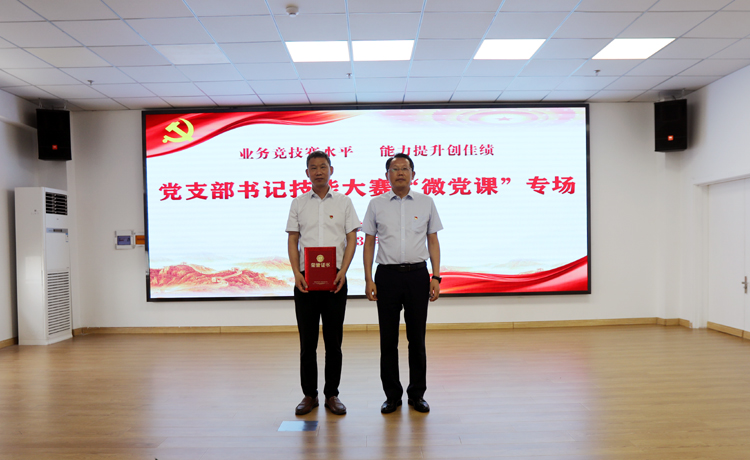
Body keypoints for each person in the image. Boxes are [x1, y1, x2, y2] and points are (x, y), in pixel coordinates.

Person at [362, 153, 443, 414]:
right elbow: (369, 243)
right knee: (388, 340)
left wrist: (436, 276)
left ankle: (417, 394)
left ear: (413, 174)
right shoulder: (376, 204)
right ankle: (392, 396)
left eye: (404, 168)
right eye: (394, 169)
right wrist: (368, 278)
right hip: (387, 276)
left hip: (418, 276)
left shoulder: (426, 202)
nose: (400, 172)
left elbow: (433, 240)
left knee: (416, 339)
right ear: (387, 175)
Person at [286, 150, 360, 416]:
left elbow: (351, 238)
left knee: (333, 342)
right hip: (305, 281)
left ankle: (332, 394)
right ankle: (309, 395)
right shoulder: (298, 203)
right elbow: (293, 239)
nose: (318, 171)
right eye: (313, 167)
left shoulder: (344, 202)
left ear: (331, 170)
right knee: (307, 342)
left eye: (323, 166)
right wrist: (296, 273)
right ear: (307, 173)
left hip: (335, 280)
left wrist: (344, 271)